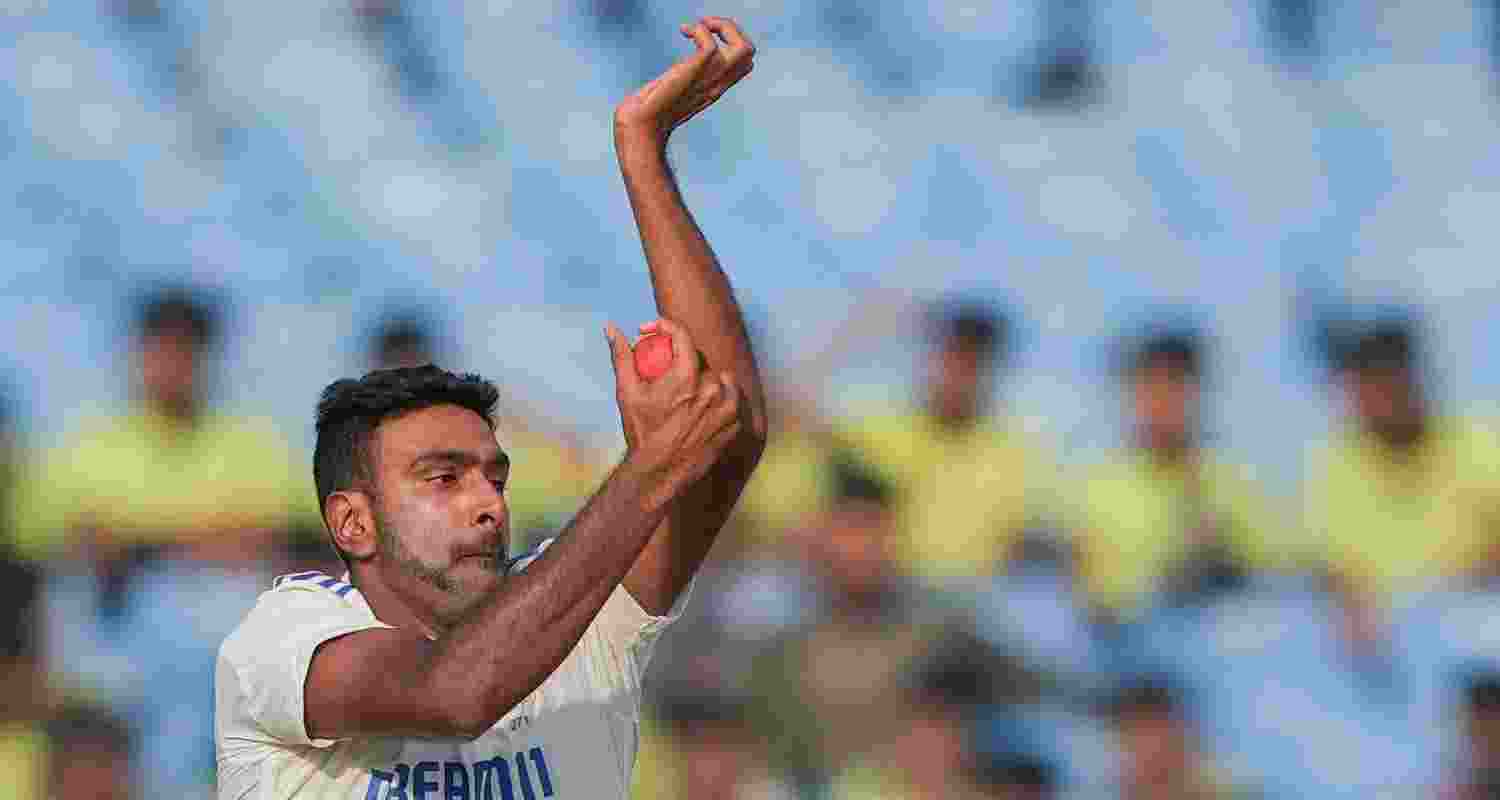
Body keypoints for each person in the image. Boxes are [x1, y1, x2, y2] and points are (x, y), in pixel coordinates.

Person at [215, 18, 765, 799]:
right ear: (351, 523)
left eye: (493, 477)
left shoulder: (573, 615)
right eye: (442, 478)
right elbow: (455, 695)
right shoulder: (285, 638)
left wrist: (643, 154)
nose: (485, 504)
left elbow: (727, 436)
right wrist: (651, 465)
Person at [1304, 316, 1500, 657]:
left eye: (1388, 378)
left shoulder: (1479, 445)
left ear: (1413, 377)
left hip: (1480, 633)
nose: (1379, 395)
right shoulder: (1333, 468)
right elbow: (1330, 569)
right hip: (1385, 650)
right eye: (1365, 382)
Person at [1070, 327, 1285, 621]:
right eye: (1150, 387)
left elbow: (1271, 574)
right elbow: (1082, 590)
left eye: (1175, 387)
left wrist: (1225, 559)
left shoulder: (1229, 482)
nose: (1162, 403)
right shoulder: (1092, 486)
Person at [838, 300, 1058, 583]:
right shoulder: (876, 434)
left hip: (980, 602)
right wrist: (859, 325)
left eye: (973, 363)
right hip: (892, 593)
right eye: (952, 358)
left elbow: (1037, 538)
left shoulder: (1020, 452)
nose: (959, 376)